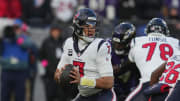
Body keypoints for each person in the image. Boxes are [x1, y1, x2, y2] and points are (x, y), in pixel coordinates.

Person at [54, 8, 116, 101]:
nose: (92, 29)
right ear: (78, 26)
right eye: (87, 25)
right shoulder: (69, 43)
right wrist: (61, 76)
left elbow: (108, 82)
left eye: (93, 25)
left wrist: (82, 80)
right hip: (84, 96)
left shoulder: (100, 45)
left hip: (102, 96)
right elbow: (57, 74)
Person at [123, 18, 180, 101]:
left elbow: (130, 60)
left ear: (148, 31)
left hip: (148, 83)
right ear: (165, 31)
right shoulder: (175, 42)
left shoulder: (137, 41)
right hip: (170, 85)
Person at [110, 22, 140, 101]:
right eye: (115, 43)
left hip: (132, 89)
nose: (117, 46)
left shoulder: (137, 49)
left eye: (120, 44)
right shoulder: (106, 47)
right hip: (112, 88)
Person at [39, 24, 66, 101]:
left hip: (62, 75)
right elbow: (41, 56)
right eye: (54, 31)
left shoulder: (64, 42)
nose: (55, 33)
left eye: (57, 31)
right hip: (50, 74)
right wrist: (46, 66)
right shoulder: (46, 42)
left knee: (62, 96)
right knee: (50, 95)